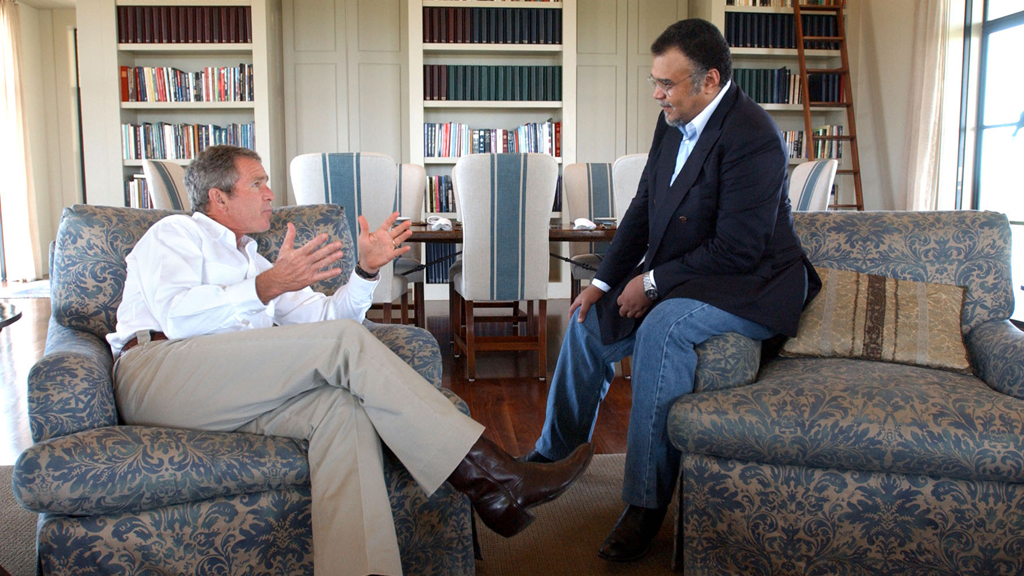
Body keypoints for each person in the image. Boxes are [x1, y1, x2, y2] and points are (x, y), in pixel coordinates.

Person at [107, 145, 593, 576]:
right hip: (156, 372)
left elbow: (327, 320)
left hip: (224, 391)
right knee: (340, 346)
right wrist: (268, 286)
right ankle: (496, 478)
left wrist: (364, 271)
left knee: (343, 412)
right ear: (219, 198)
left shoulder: (254, 261)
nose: (270, 193)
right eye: (257, 183)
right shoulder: (175, 234)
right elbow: (178, 316)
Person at [521, 19, 821, 561]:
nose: (656, 94)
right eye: (654, 81)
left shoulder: (756, 137)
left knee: (661, 327)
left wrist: (652, 284)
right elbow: (642, 210)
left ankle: (645, 505)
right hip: (688, 272)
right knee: (588, 320)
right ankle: (551, 459)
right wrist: (606, 282)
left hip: (751, 285)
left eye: (668, 83)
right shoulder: (673, 118)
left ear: (709, 80)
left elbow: (739, 249)